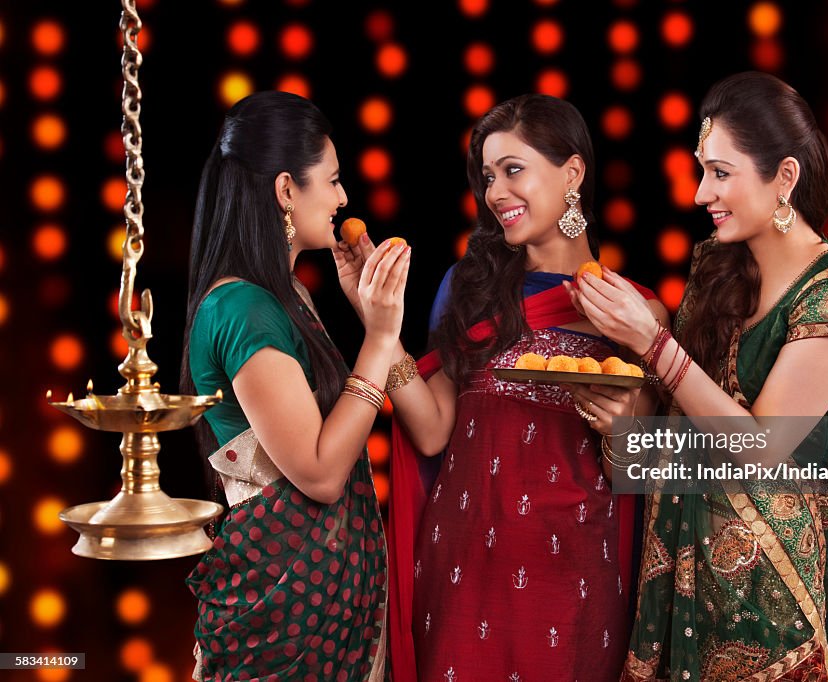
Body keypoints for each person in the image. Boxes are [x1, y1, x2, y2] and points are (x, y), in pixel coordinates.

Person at [334, 93, 668, 680]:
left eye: (513, 170)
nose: (495, 193)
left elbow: (633, 470)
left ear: (572, 173)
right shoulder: (469, 288)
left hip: (573, 574)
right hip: (463, 565)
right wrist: (377, 322)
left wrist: (621, 430)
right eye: (488, 177)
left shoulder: (636, 310)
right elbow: (434, 432)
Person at [568, 72, 828, 681]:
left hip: (770, 613)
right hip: (677, 585)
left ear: (784, 178)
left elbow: (760, 447)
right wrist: (624, 424)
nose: (700, 193)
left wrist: (654, 343)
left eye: (720, 172)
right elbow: (680, 423)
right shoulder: (718, 270)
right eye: (701, 170)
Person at [180, 91, 408, 681]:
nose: (342, 198)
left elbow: (425, 429)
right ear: (286, 190)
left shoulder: (285, 296)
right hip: (280, 617)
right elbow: (320, 472)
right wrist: (379, 338)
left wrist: (371, 319)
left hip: (322, 608)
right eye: (332, 181)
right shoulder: (241, 308)